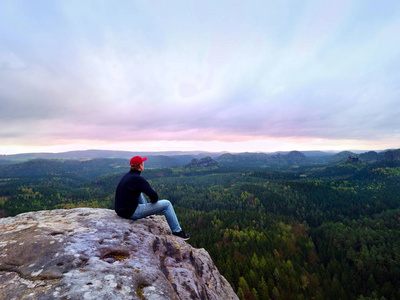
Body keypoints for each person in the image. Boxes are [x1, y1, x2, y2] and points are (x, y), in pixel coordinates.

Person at [114, 155, 190, 240]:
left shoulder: (127, 176)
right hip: (131, 212)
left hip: (120, 210)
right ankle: (177, 231)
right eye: (143, 163)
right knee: (167, 204)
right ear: (140, 166)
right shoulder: (138, 179)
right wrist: (152, 203)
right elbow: (155, 197)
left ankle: (146, 212)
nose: (143, 164)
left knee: (138, 192)